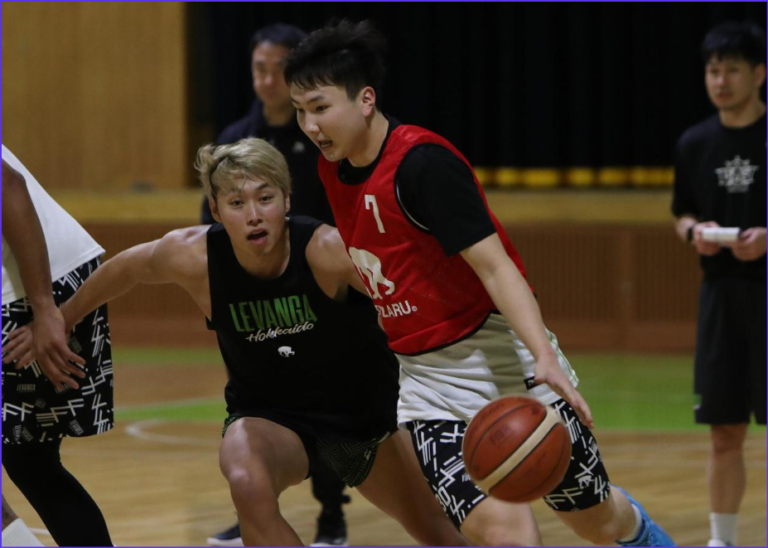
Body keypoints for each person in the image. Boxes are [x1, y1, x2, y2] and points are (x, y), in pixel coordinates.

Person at [286, 20, 676, 547]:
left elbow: (496, 267)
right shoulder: (331, 169)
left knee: (600, 522)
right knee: (503, 535)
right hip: (427, 385)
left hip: (500, 360)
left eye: (320, 107)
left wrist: (542, 356)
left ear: (366, 100)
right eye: (300, 110)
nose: (309, 125)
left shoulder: (423, 165)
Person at [5, 138, 468, 548]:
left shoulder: (327, 251)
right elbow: (127, 269)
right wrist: (61, 317)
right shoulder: (194, 256)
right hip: (271, 418)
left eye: (265, 198)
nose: (253, 215)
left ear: (287, 199)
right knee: (246, 479)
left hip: (360, 419)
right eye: (236, 202)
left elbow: (414, 296)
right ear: (215, 208)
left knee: (438, 533)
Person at [201, 23, 344, 548]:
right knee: (251, 411)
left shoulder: (321, 139)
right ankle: (254, 513)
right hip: (251, 302)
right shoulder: (235, 138)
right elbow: (209, 229)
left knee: (327, 402)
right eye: (258, 69)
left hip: (316, 291)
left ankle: (332, 516)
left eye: (276, 70)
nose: (265, 80)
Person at [671, 21, 766, 548]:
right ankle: (721, 541)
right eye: (713, 70)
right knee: (724, 429)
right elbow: (681, 213)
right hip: (721, 298)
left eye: (732, 69)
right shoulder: (695, 143)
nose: (721, 81)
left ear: (759, 74)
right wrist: (695, 233)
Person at [1, 146, 114, 547]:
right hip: (41, 281)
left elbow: (6, 185)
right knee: (32, 463)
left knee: (31, 462)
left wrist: (47, 308)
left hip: (33, 288)